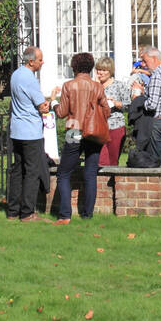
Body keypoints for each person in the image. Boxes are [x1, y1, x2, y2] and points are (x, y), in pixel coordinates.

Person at [53, 52, 109, 224]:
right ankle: (87, 215)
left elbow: (61, 113)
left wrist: (54, 102)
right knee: (90, 173)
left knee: (63, 174)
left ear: (74, 67)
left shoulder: (69, 85)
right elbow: (107, 112)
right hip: (94, 132)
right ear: (91, 67)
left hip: (74, 131)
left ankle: (65, 215)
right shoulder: (98, 87)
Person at [6, 47, 51, 221]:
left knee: (17, 170)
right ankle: (27, 212)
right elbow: (42, 106)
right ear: (31, 61)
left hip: (16, 130)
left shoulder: (16, 74)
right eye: (40, 59)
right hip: (31, 131)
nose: (42, 62)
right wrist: (51, 99)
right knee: (32, 171)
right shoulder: (30, 78)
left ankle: (12, 210)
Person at [135, 46, 161, 167]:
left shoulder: (157, 75)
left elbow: (152, 104)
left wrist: (138, 99)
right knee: (155, 158)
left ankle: (159, 184)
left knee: (154, 161)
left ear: (154, 58)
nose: (144, 65)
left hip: (156, 121)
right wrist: (144, 91)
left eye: (145, 61)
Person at [95, 56, 130, 166]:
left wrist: (116, 103)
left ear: (110, 72)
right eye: (98, 69)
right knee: (100, 161)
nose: (100, 73)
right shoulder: (94, 86)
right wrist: (96, 87)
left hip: (115, 126)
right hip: (97, 128)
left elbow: (129, 106)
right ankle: (101, 183)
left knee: (113, 160)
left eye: (104, 70)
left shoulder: (119, 85)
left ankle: (113, 182)